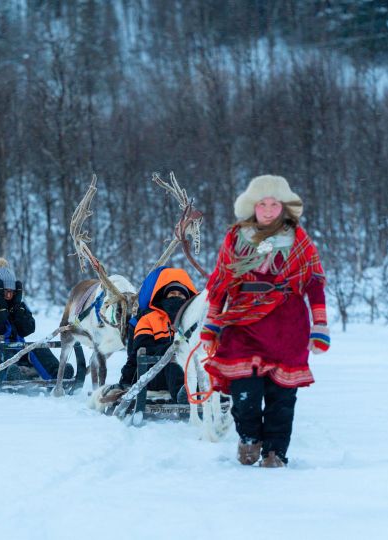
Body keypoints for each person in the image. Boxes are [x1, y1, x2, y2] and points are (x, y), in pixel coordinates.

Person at [200, 175, 330, 468]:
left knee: (281, 398)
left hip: (288, 325)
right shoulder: (235, 237)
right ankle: (249, 439)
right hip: (242, 323)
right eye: (262, 204)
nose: (269, 210)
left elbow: (314, 283)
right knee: (244, 392)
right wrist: (212, 323)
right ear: (253, 206)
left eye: (274, 204)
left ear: (284, 207)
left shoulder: (299, 241)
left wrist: (320, 326)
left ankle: (275, 453)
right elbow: (221, 281)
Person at [0, 258, 72, 381]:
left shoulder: (16, 306)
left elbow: (28, 328)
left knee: (37, 347)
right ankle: (9, 374)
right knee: (5, 351)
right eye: (5, 291)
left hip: (16, 348)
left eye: (11, 291)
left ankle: (57, 374)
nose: (8, 295)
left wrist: (16, 308)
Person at [119, 266, 198, 404]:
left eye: (180, 295)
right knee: (175, 356)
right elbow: (140, 351)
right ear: (164, 296)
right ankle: (185, 395)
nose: (176, 297)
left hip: (191, 370)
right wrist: (173, 348)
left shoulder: (194, 320)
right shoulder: (149, 319)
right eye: (172, 294)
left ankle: (211, 392)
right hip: (155, 374)